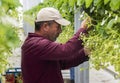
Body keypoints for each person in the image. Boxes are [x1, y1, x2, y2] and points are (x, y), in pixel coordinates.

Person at [21, 7, 90, 83]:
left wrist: (84, 53)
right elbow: (66, 50)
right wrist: (83, 29)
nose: (60, 31)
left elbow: (63, 63)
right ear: (45, 26)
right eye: (58, 27)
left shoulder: (36, 43)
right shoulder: (36, 44)